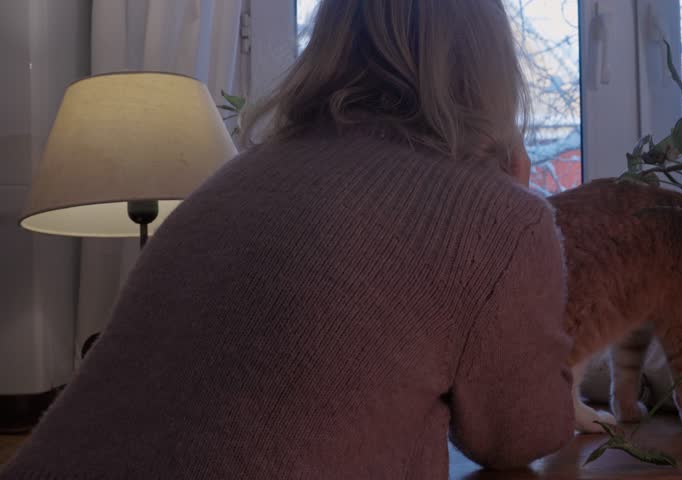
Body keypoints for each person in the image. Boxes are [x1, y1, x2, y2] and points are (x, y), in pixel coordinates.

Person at [1, 0, 574, 478]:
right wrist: (513, 200)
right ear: (490, 63)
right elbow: (525, 430)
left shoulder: (240, 176)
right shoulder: (496, 216)